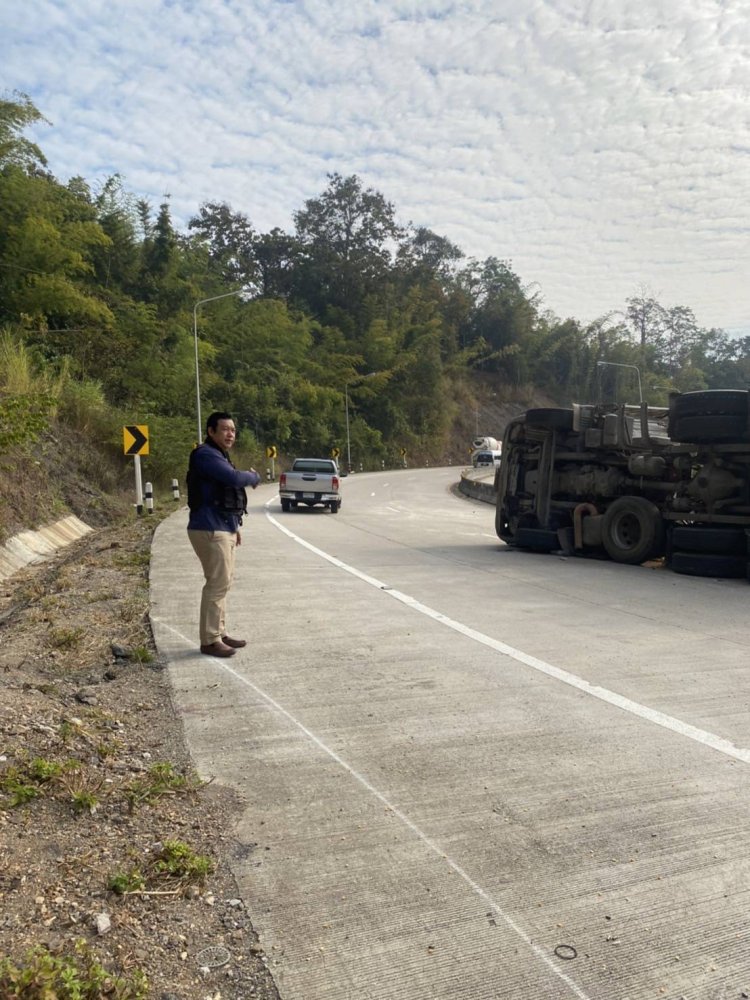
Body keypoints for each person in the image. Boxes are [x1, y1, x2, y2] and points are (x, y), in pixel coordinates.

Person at [187, 411, 261, 658]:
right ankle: (209, 640)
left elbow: (221, 496)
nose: (230, 434)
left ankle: (219, 632)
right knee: (217, 584)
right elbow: (233, 478)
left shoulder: (219, 456)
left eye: (233, 430)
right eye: (225, 429)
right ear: (211, 432)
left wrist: (234, 527)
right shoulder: (206, 455)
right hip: (208, 528)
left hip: (222, 526)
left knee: (224, 583)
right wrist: (253, 476)